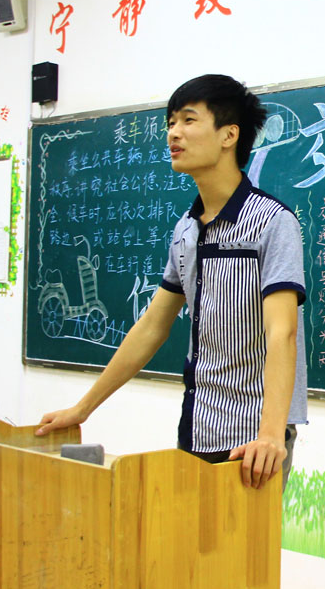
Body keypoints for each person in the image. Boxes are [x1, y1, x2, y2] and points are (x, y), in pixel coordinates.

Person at [36, 74, 307, 490]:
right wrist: (83, 408)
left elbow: (282, 332)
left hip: (253, 444)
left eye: (188, 120)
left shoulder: (273, 222)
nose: (173, 133)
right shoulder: (186, 230)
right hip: (197, 427)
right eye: (170, 123)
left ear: (229, 135)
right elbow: (151, 327)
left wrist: (271, 434)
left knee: (237, 539)